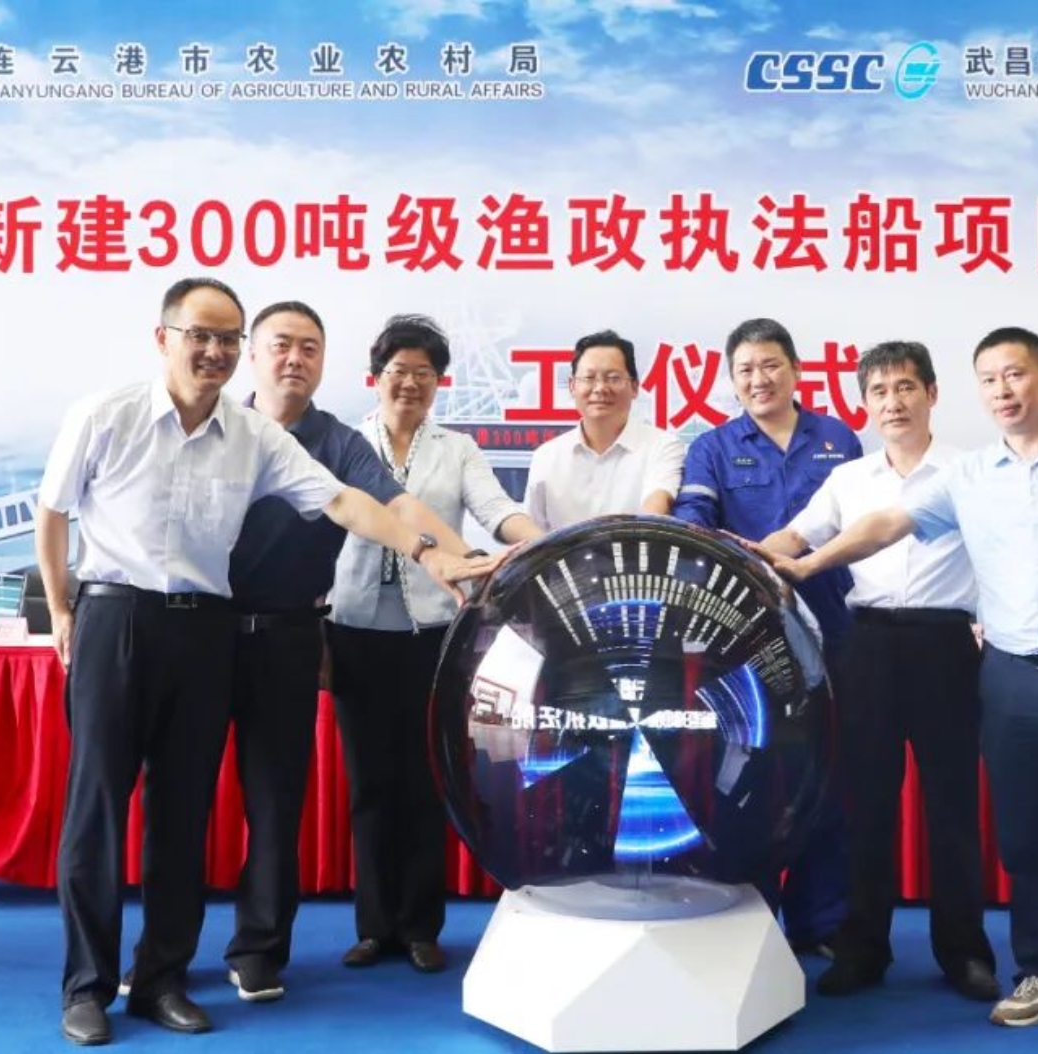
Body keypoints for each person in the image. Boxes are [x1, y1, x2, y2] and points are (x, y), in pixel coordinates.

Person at [36, 280, 495, 1047]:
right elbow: (53, 512)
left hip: (203, 632)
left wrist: (429, 553)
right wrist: (60, 609)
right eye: (202, 335)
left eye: (226, 337)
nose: (213, 351)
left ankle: (161, 979)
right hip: (117, 619)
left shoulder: (255, 438)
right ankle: (87, 985)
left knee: (182, 815)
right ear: (165, 338)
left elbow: (347, 502)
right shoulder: (105, 414)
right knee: (98, 809)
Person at [755, 326, 1038, 1042]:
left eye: (1014, 375)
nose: (1003, 390)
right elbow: (876, 526)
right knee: (994, 834)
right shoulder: (923, 476)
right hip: (949, 664)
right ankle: (1015, 970)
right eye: (991, 379)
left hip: (1035, 664)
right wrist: (791, 562)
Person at [758, 341, 998, 1002]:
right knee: (865, 807)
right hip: (866, 645)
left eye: (906, 388)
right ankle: (863, 947)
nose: (893, 403)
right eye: (880, 392)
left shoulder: (972, 471)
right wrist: (749, 553)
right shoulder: (850, 478)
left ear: (932, 394)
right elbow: (796, 537)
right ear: (864, 403)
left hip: (946, 644)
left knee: (952, 806)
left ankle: (964, 952)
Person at [326, 313, 544, 975]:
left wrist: (536, 540)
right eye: (399, 372)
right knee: (369, 782)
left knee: (426, 781)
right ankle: (374, 927)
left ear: (440, 383)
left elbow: (494, 509)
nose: (410, 384)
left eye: (424, 374)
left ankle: (421, 927)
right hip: (354, 629)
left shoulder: (457, 449)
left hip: (434, 635)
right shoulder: (343, 442)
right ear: (375, 377)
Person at [672, 317, 859, 955]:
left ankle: (821, 922)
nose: (760, 379)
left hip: (832, 629)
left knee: (827, 777)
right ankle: (749, 918)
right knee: (750, 774)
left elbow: (861, 523)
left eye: (771, 365)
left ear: (797, 370)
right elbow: (695, 521)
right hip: (746, 642)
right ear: (731, 381)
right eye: (746, 370)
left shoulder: (837, 439)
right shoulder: (713, 447)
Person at [524, 328, 685, 529]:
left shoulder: (662, 446)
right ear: (572, 386)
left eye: (613, 378)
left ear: (634, 387)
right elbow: (532, 535)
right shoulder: (546, 457)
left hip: (638, 549)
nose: (600, 388)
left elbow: (655, 508)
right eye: (589, 378)